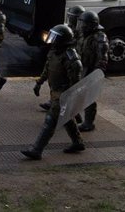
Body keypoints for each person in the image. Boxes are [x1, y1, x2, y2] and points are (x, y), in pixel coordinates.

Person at [22, 24, 85, 160]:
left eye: (55, 38)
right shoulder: (53, 52)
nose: (51, 41)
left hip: (63, 95)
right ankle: (78, 142)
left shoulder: (71, 59)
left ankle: (36, 150)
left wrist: (72, 100)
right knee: (67, 119)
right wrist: (39, 82)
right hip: (54, 91)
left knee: (50, 120)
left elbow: (76, 84)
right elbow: (47, 69)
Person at [40, 5, 85, 111]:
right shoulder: (68, 29)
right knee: (56, 79)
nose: (70, 20)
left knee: (70, 85)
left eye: (73, 17)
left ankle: (71, 110)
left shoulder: (82, 32)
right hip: (65, 59)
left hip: (74, 61)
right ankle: (54, 101)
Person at [76, 11, 109, 132]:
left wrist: (96, 74)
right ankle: (75, 116)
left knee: (89, 98)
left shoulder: (100, 38)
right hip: (81, 68)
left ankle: (89, 123)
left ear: (91, 25)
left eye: (84, 24)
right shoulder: (83, 35)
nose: (82, 26)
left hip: (91, 70)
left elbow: (103, 58)